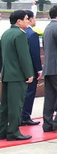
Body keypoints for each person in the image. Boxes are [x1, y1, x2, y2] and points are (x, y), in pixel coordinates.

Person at [0, 10, 36, 141]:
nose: (28, 21)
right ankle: (13, 132)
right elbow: (24, 57)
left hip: (6, 75)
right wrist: (29, 74)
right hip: (17, 76)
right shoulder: (20, 34)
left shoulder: (5, 34)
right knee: (16, 105)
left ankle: (2, 130)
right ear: (18, 21)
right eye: (26, 19)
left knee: (4, 106)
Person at [20, 11, 41, 127]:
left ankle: (20, 116)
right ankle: (25, 116)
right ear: (30, 19)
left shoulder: (18, 33)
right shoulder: (32, 34)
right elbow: (35, 54)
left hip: (19, 70)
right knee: (29, 93)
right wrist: (39, 69)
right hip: (30, 69)